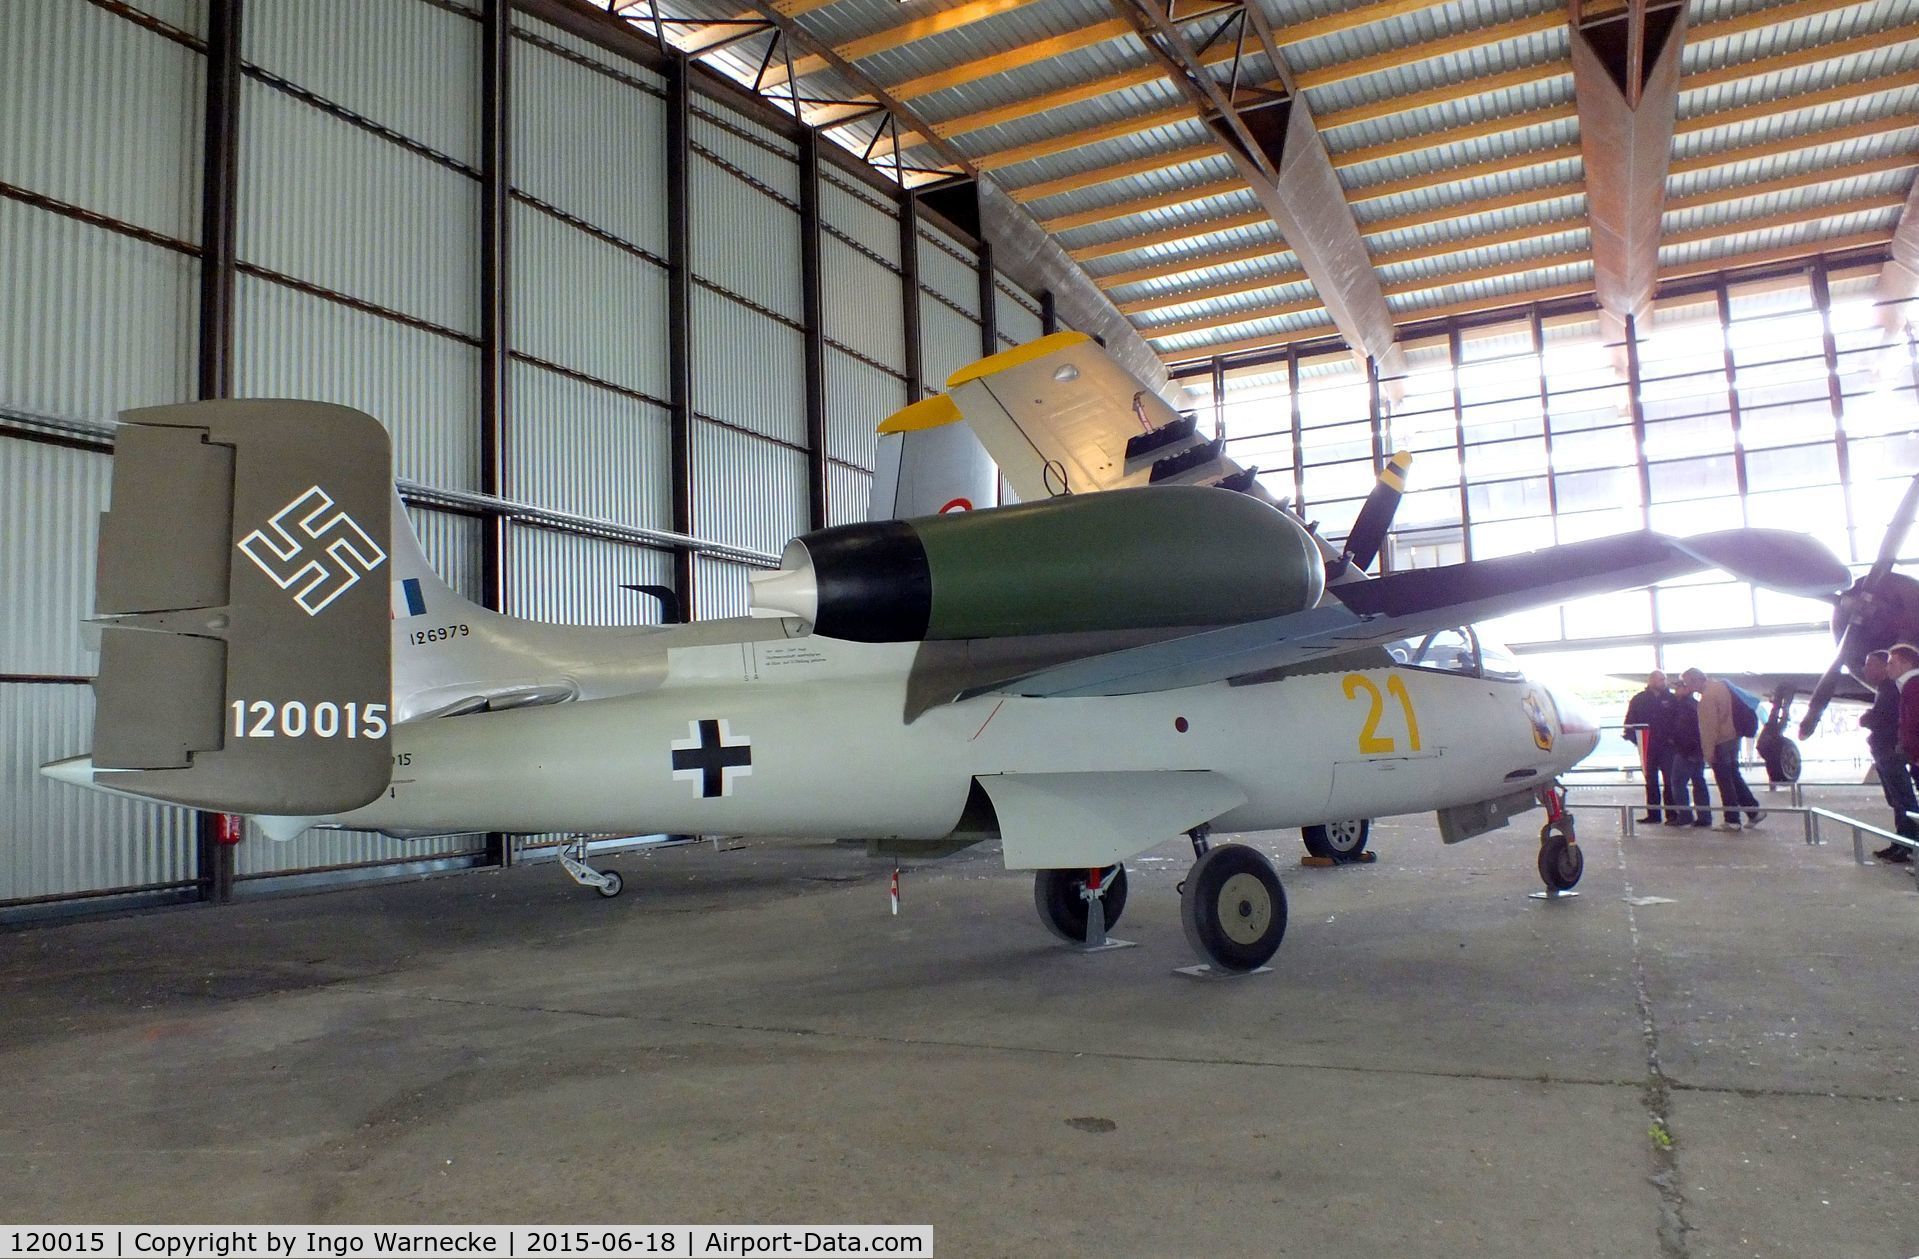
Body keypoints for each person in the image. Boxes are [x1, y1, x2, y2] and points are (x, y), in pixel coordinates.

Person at [1681, 667, 1764, 831]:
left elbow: (1708, 728)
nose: (1688, 687)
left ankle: (1732, 820)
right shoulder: (1723, 686)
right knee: (1734, 777)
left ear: (1695, 681)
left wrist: (1708, 752)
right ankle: (1753, 812)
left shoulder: (1707, 698)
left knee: (1725, 781)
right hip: (1734, 738)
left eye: (1687, 683)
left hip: (1721, 742)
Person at [1858, 650, 1916, 863]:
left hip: (1890, 751)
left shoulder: (1893, 690)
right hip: (1886, 751)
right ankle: (1901, 842)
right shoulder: (1886, 689)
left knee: (1903, 800)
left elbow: (1886, 719)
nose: (1865, 670)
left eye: (1870, 664)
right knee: (1897, 800)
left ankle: (1909, 844)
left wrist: (1866, 719)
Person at [1623, 671, 1676, 824]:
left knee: (1669, 781)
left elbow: (1678, 721)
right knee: (1651, 781)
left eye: (1664, 679)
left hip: (1667, 747)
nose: (1663, 682)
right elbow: (1630, 722)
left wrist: (1673, 740)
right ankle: (1653, 814)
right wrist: (1636, 740)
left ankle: (1672, 814)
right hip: (1647, 747)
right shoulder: (1639, 700)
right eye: (1660, 679)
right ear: (1651, 680)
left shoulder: (1672, 699)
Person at [1665, 681, 1711, 828]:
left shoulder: (1684, 707)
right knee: (1699, 782)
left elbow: (1684, 730)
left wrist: (1679, 744)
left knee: (1678, 782)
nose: (1675, 691)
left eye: (1678, 688)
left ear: (1685, 689)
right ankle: (1704, 816)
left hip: (1686, 751)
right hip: (1697, 749)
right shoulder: (1696, 705)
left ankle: (1685, 815)